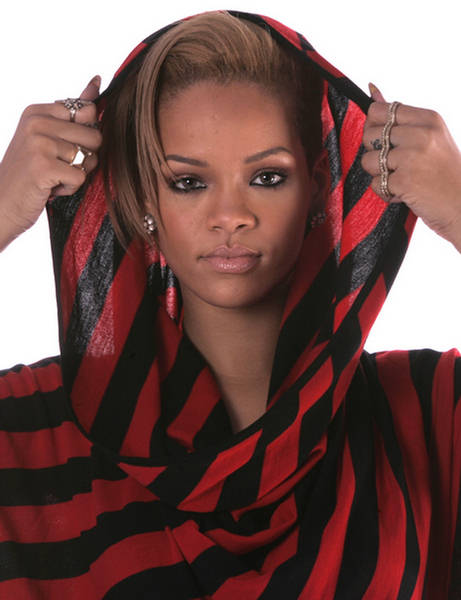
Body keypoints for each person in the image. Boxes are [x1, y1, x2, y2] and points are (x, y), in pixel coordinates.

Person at [0, 9, 460, 599]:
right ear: (144, 196)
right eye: (188, 182)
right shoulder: (30, 431)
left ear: (319, 184)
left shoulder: (424, 417)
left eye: (267, 177)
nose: (230, 217)